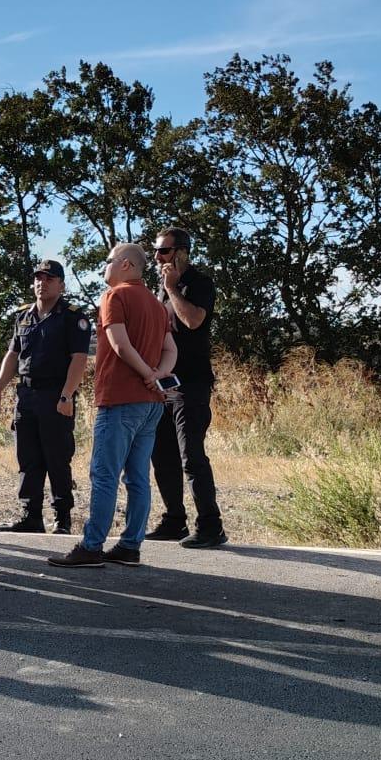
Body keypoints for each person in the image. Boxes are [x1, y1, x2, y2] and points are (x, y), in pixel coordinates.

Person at [50, 243, 176, 569]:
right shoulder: (157, 305)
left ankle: (92, 546)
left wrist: (147, 373)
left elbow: (119, 344)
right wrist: (159, 374)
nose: (104, 267)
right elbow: (170, 349)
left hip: (120, 399)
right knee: (137, 477)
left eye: (108, 261)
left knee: (104, 475)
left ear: (126, 266)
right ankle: (130, 545)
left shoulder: (114, 296)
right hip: (152, 403)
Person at [0, 259, 93, 534]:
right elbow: (13, 355)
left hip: (56, 394)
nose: (41, 283)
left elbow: (79, 359)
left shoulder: (72, 316)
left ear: (61, 284)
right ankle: (30, 516)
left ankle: (62, 519)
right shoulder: (23, 315)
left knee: (57, 458)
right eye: (38, 278)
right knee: (28, 458)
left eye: (48, 279)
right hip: (27, 394)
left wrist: (67, 395)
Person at [146, 227, 228, 549]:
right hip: (165, 385)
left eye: (163, 251)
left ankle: (211, 525)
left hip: (192, 385)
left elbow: (193, 321)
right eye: (155, 251)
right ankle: (173, 520)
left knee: (191, 455)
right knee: (161, 454)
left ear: (181, 252)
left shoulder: (199, 283)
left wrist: (172, 290)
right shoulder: (161, 288)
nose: (157, 257)